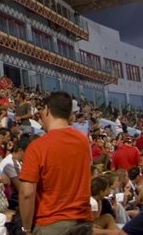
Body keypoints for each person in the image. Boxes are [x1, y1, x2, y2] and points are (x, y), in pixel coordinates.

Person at [17, 91, 93, 235]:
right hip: (82, 221)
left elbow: (27, 193)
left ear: (46, 110)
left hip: (50, 224)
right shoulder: (83, 141)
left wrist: (26, 229)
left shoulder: (37, 146)